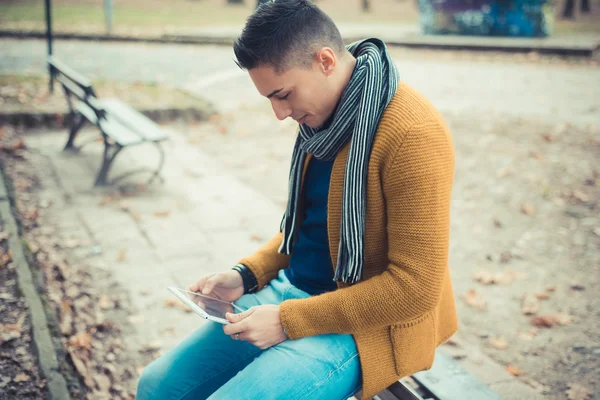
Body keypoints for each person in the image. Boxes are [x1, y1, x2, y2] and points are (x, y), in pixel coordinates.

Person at [136, 0, 457, 399]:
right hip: (292, 293)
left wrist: (288, 321)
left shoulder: (413, 133)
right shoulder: (322, 118)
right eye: (270, 98)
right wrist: (245, 274)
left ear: (324, 60)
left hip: (363, 326)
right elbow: (303, 229)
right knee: (156, 387)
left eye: (283, 95)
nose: (279, 113)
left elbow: (414, 289)